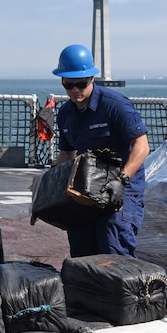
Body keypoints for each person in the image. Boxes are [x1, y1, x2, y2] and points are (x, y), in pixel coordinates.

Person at [53, 44, 150, 258]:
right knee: (81, 249)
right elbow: (67, 154)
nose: (75, 90)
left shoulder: (115, 105)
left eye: (80, 84)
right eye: (68, 85)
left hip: (120, 188)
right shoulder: (66, 113)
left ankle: (119, 292)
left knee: (113, 246)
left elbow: (141, 146)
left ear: (92, 79)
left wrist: (122, 179)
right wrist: (48, 182)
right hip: (87, 189)